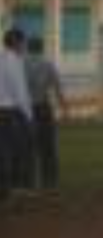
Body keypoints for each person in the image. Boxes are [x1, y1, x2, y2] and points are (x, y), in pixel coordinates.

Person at [25, 36, 68, 189]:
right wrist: (64, 109)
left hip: (26, 109)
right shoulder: (48, 64)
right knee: (48, 146)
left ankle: (28, 179)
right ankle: (49, 180)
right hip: (43, 108)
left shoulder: (22, 64)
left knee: (27, 146)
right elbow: (57, 88)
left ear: (28, 47)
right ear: (42, 48)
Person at [0, 28, 34, 199]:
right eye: (23, 41)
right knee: (18, 150)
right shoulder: (14, 61)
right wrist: (29, 115)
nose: (25, 45)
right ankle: (17, 186)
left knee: (4, 151)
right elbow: (20, 91)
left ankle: (6, 188)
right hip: (12, 111)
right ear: (16, 42)